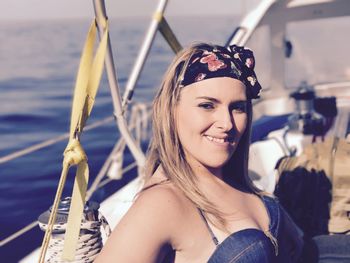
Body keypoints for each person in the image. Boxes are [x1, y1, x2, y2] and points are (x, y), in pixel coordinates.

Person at [95, 43, 303, 263]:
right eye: (207, 105)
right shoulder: (161, 204)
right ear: (171, 111)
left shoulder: (232, 179)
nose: (227, 123)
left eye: (237, 107)